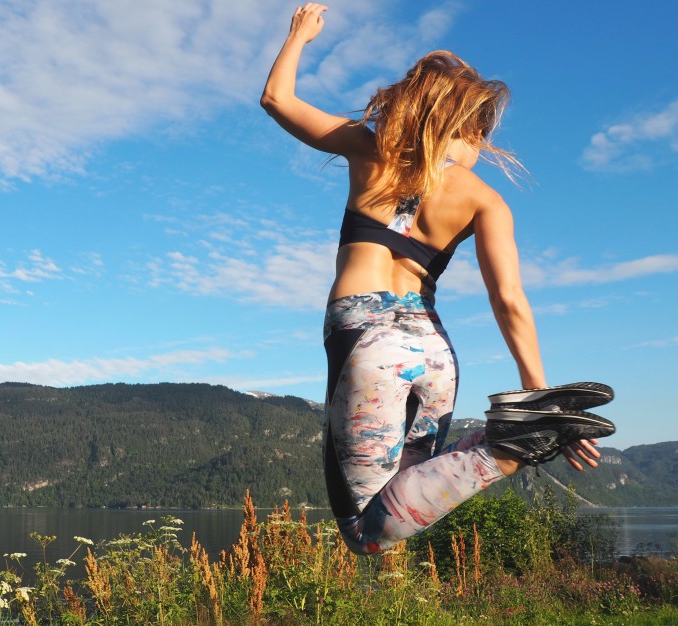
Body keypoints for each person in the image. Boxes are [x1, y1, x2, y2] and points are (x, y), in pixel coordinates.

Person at [261, 3, 615, 555]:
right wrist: (538, 395)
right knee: (402, 498)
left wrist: (299, 36)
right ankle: (511, 437)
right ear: (466, 127)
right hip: (434, 350)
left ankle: (508, 448)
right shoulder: (485, 200)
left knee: (363, 534)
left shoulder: (369, 147)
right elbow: (509, 300)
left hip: (367, 342)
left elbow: (277, 100)